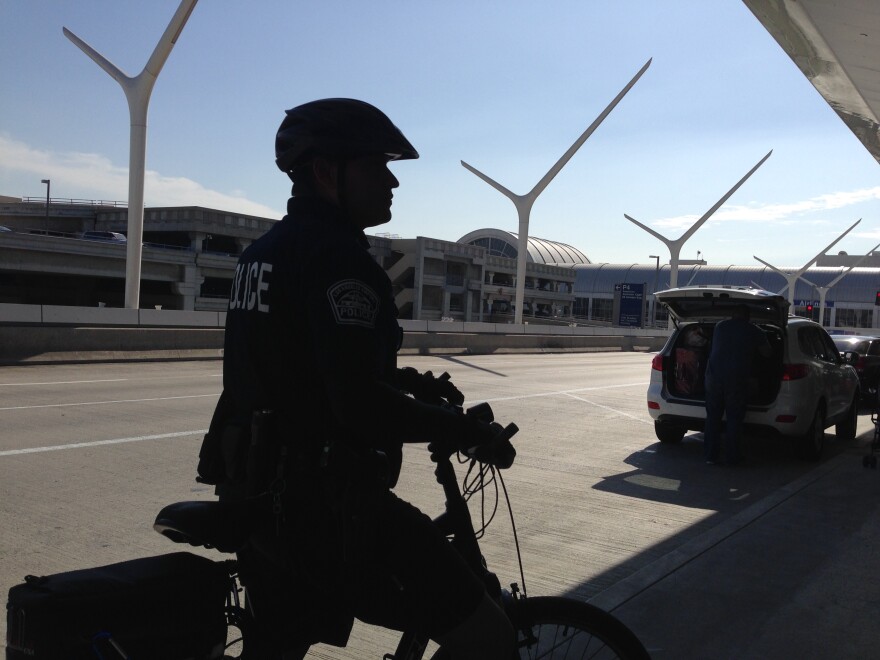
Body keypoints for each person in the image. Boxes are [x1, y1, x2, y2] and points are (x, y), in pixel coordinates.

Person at [202, 98, 515, 659]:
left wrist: (412, 382)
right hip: (323, 510)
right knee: (488, 635)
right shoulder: (338, 261)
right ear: (327, 172)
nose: (392, 180)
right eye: (376, 165)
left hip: (254, 496)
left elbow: (302, 367)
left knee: (274, 648)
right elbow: (358, 406)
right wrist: (459, 427)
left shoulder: (263, 255)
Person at [703, 304, 773, 465]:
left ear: (732, 315)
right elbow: (768, 353)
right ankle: (732, 457)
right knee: (734, 418)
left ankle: (710, 456)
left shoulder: (720, 327)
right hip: (736, 379)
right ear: (748, 316)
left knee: (713, 417)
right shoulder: (754, 330)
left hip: (713, 378)